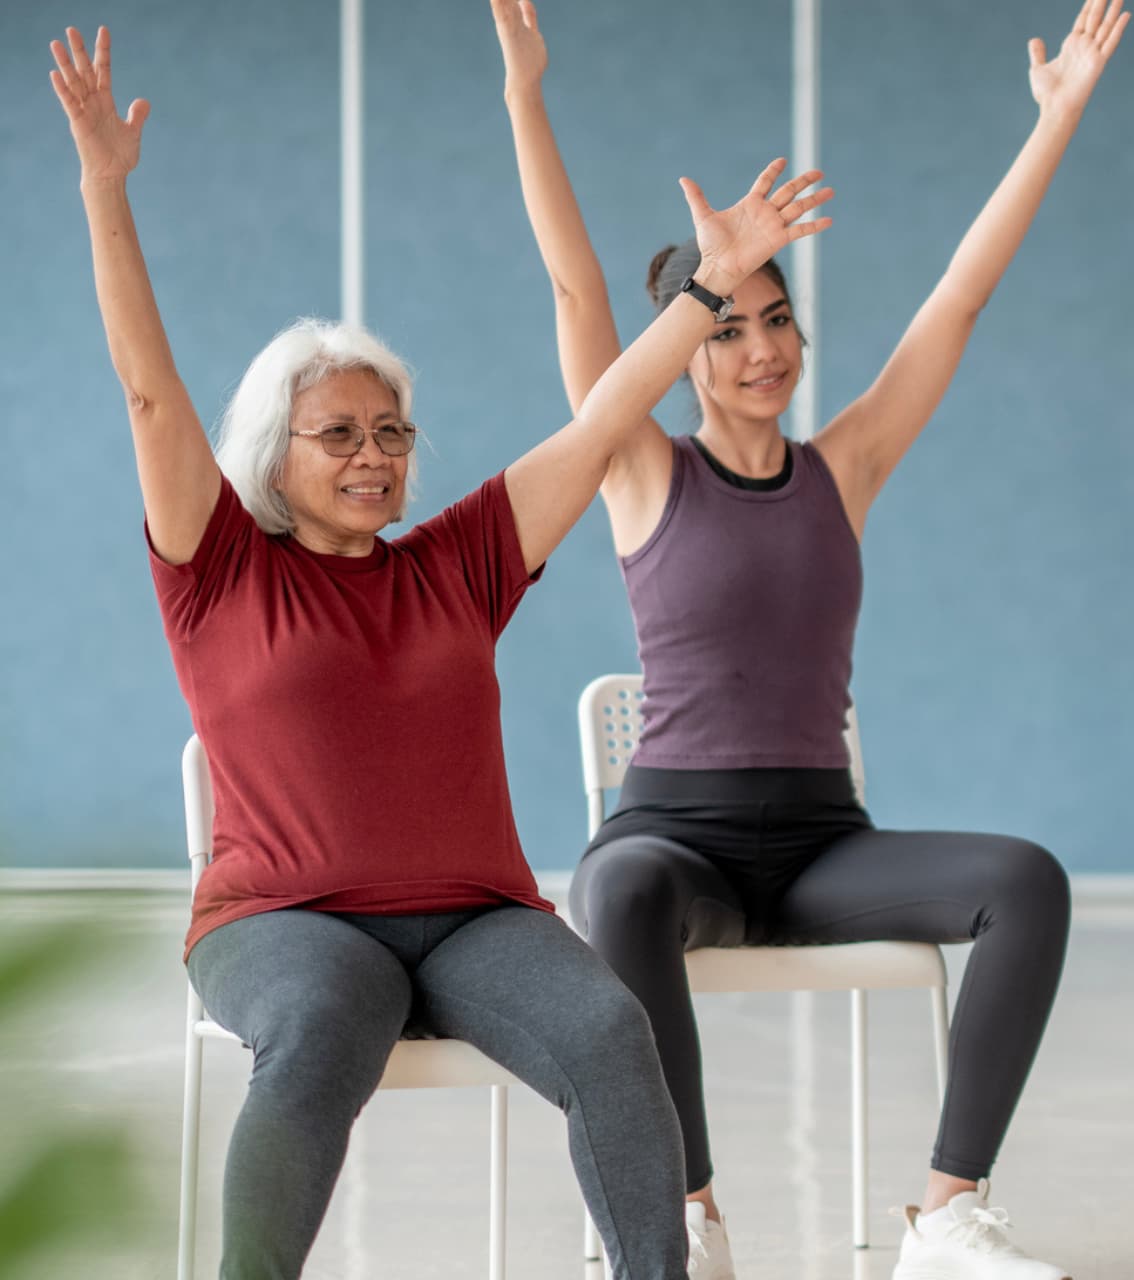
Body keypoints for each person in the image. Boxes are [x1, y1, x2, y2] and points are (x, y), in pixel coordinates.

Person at [47, 23, 831, 1278]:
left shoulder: (460, 557)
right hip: (283, 919)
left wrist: (705, 298)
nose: (374, 455)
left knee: (610, 1030)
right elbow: (149, 390)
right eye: (340, 433)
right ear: (275, 454)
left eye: (393, 431)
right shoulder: (218, 564)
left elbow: (604, 421)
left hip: (475, 918)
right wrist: (103, 185)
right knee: (319, 1027)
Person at [489, 1, 1128, 1275]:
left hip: (823, 842)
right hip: (675, 835)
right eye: (725, 328)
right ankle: (684, 1217)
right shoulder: (640, 469)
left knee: (1029, 880)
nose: (760, 348)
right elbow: (573, 287)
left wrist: (1055, 121)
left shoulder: (847, 465)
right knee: (614, 887)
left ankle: (946, 1214)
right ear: (685, 355)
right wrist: (525, 95)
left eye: (774, 318)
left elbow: (960, 295)